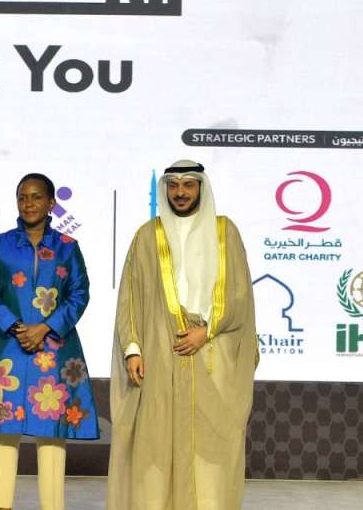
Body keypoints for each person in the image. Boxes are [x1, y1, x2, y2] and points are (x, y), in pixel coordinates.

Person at [107, 160, 258, 510]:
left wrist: (207, 331)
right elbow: (130, 296)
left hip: (213, 353)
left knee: (210, 446)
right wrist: (132, 348)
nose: (180, 192)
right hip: (161, 352)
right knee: (156, 443)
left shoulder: (225, 232)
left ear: (201, 188)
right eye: (173, 185)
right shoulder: (148, 235)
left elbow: (240, 295)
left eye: (189, 185)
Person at [0, 173, 99, 510]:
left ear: (51, 203)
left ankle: (53, 506)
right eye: (22, 197)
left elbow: (79, 294)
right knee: (5, 426)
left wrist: (45, 328)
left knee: (52, 430)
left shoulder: (68, 247)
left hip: (54, 348)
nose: (28, 203)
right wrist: (17, 327)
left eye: (36, 197)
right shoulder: (1, 244)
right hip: (7, 347)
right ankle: (1, 505)